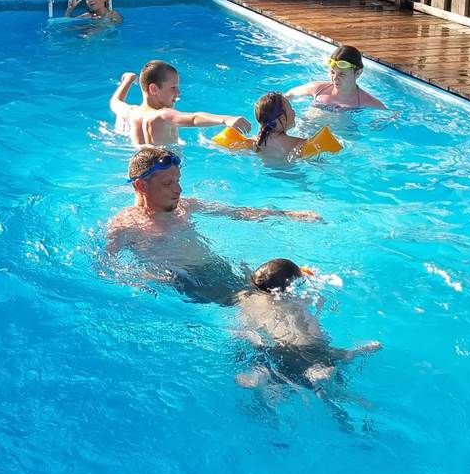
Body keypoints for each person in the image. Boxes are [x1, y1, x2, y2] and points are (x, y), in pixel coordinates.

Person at [105, 148, 321, 302]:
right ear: (140, 185)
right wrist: (148, 279)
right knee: (260, 303)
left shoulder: (185, 206)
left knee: (271, 285)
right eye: (167, 184)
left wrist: (288, 214)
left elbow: (238, 213)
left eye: (178, 181)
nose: (178, 190)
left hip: (218, 267)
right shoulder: (125, 225)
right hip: (188, 282)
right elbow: (106, 266)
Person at [233, 259, 380, 389]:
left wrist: (245, 267)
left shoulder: (245, 298)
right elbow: (320, 300)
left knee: (266, 361)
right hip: (309, 347)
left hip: (275, 349)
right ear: (288, 287)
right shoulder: (294, 299)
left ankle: (260, 375)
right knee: (329, 354)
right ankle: (322, 368)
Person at [109, 60, 249, 147]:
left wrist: (127, 80)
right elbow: (194, 118)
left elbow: (115, 102)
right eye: (173, 87)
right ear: (154, 89)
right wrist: (225, 119)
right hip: (165, 179)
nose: (178, 92)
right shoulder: (162, 114)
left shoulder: (133, 113)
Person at [289, 45, 385, 110]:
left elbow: (391, 116)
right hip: (306, 136)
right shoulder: (318, 89)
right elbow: (289, 94)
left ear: (358, 73)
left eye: (342, 74)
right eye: (332, 72)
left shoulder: (366, 101)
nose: (335, 78)